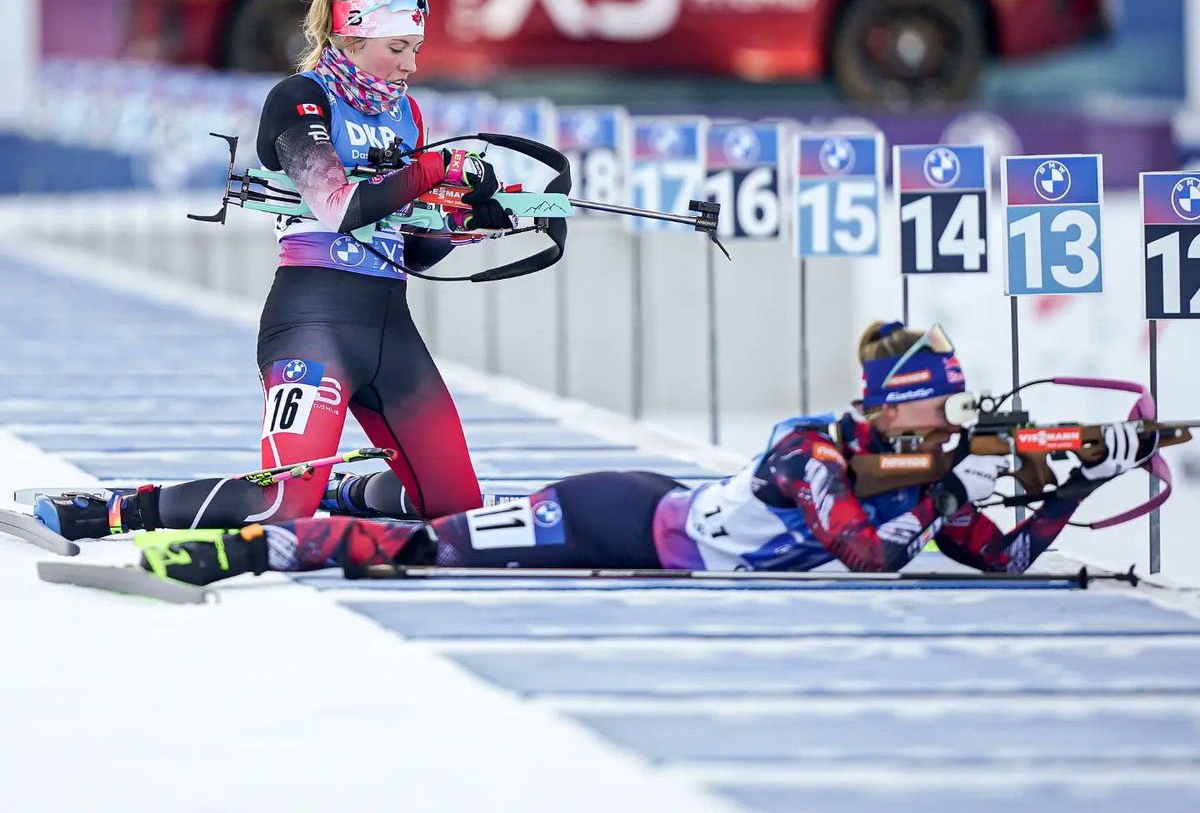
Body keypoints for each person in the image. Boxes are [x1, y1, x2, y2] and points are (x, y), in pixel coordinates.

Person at [38, 0, 516, 541]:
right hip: (314, 323)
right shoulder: (299, 98)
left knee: (453, 506)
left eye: (415, 49)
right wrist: (438, 170)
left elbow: (409, 250)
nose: (411, 65)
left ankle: (343, 491)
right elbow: (338, 206)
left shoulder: (405, 115)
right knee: (283, 506)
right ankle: (111, 510)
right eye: (397, 48)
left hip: (390, 327)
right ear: (351, 37)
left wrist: (470, 225)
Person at [132, 320, 1160, 585]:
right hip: (617, 514)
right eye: (927, 408)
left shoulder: (927, 485)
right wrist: (949, 481)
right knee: (427, 547)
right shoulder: (814, 448)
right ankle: (227, 545)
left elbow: (1004, 561)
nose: (941, 422)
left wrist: (1076, 484)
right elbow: (861, 553)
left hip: (654, 541)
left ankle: (233, 536)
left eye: (948, 406)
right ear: (883, 412)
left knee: (423, 537)